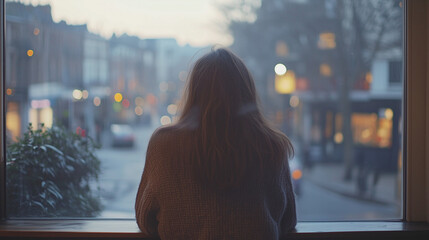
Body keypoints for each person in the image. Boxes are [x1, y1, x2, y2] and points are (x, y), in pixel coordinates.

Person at [135, 48, 296, 239]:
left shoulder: (163, 145)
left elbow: (144, 218)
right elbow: (288, 220)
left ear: (193, 92)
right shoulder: (272, 146)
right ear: (246, 92)